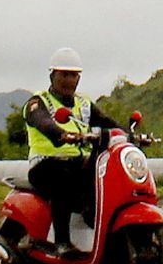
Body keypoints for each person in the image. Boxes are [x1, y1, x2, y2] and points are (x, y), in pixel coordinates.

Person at [24, 46, 123, 251]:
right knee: (64, 178)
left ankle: (106, 238)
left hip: (80, 163)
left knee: (109, 177)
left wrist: (129, 135)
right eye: (64, 74)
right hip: (45, 165)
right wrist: (60, 134)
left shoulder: (84, 104)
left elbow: (107, 122)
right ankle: (62, 242)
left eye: (74, 75)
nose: (69, 80)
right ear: (52, 75)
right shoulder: (38, 102)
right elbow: (43, 122)